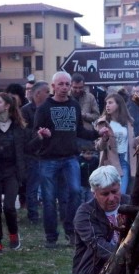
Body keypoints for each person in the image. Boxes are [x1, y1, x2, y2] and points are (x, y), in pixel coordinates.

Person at [33, 71, 106, 249]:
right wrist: (42, 135)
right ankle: (51, 236)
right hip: (48, 159)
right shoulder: (44, 108)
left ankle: (71, 231)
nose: (65, 87)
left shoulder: (74, 106)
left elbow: (80, 131)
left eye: (67, 84)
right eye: (61, 84)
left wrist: (98, 133)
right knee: (49, 199)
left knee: (75, 192)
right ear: (53, 87)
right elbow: (34, 134)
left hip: (69, 157)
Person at [0, 92, 34, 255]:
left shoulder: (19, 128)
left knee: (9, 206)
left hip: (12, 171)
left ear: (7, 106)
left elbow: (28, 149)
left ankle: (13, 233)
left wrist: (40, 138)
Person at [72, 165, 130, 274]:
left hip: (129, 270)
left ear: (120, 186)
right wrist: (127, 258)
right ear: (94, 193)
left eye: (114, 191)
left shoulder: (130, 203)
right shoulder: (85, 213)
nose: (111, 198)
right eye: (105, 194)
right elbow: (98, 245)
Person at [94, 93, 135, 194]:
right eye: (106, 103)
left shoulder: (127, 122)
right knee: (111, 193)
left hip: (124, 161)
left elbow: (132, 143)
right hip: (110, 162)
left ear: (118, 104)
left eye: (110, 103)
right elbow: (98, 147)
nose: (107, 105)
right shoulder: (102, 123)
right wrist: (104, 139)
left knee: (122, 193)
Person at [21, 81, 49, 224]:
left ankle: (48, 214)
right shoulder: (25, 111)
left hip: (47, 152)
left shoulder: (48, 108)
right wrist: (38, 136)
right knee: (33, 185)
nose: (49, 94)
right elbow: (24, 133)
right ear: (38, 94)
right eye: (47, 92)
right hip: (32, 153)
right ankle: (33, 216)